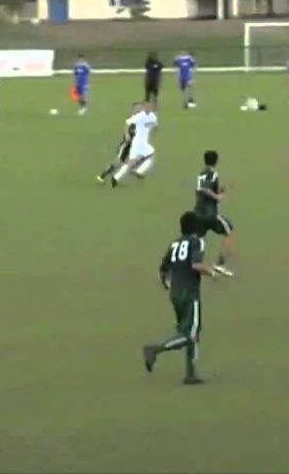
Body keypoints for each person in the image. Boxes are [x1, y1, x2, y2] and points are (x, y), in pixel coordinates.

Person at [142, 211, 219, 385]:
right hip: (190, 293)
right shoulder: (197, 242)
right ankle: (154, 350)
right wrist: (211, 272)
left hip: (175, 294)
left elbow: (163, 268)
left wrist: (166, 283)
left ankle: (191, 374)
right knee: (190, 334)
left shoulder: (174, 244)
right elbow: (196, 265)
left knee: (189, 332)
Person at [195, 150, 235, 277]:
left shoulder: (201, 174)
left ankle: (194, 266)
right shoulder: (212, 174)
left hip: (198, 213)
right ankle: (220, 265)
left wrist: (219, 191)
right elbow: (204, 188)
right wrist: (217, 197)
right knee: (230, 233)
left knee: (199, 241)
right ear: (216, 161)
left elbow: (204, 188)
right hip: (210, 214)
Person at [111, 101, 158, 187]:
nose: (149, 108)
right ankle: (139, 171)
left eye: (150, 107)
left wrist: (153, 127)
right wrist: (127, 134)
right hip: (137, 143)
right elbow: (127, 122)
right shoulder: (140, 116)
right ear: (144, 107)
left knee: (131, 162)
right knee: (150, 155)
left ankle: (116, 177)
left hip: (143, 143)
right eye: (147, 106)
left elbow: (155, 126)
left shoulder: (152, 116)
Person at [97, 103, 142, 183]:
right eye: (136, 109)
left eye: (139, 109)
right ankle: (103, 175)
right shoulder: (130, 119)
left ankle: (131, 171)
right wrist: (127, 135)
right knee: (118, 163)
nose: (138, 110)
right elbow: (126, 129)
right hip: (126, 146)